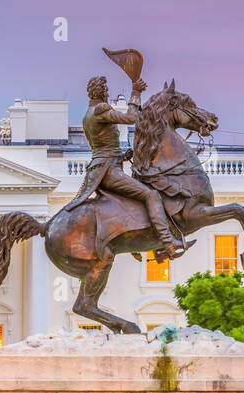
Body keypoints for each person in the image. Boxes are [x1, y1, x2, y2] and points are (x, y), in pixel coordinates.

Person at [60, 74, 186, 258]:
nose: (107, 91)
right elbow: (130, 118)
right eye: (106, 89)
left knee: (134, 199)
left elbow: (102, 146)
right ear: (101, 91)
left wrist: (122, 155)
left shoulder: (88, 114)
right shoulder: (100, 110)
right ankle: (168, 242)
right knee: (151, 195)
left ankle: (136, 241)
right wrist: (135, 93)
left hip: (103, 167)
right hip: (109, 171)